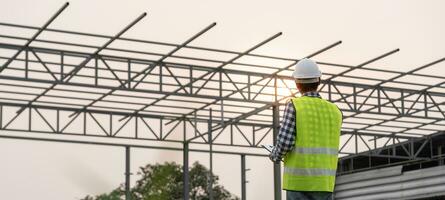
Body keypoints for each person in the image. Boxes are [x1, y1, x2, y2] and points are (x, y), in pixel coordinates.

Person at [269, 58, 343, 200]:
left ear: (297, 84)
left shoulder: (295, 105)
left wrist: (275, 154)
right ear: (319, 80)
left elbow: (285, 142)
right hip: (324, 185)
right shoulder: (335, 111)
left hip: (299, 184)